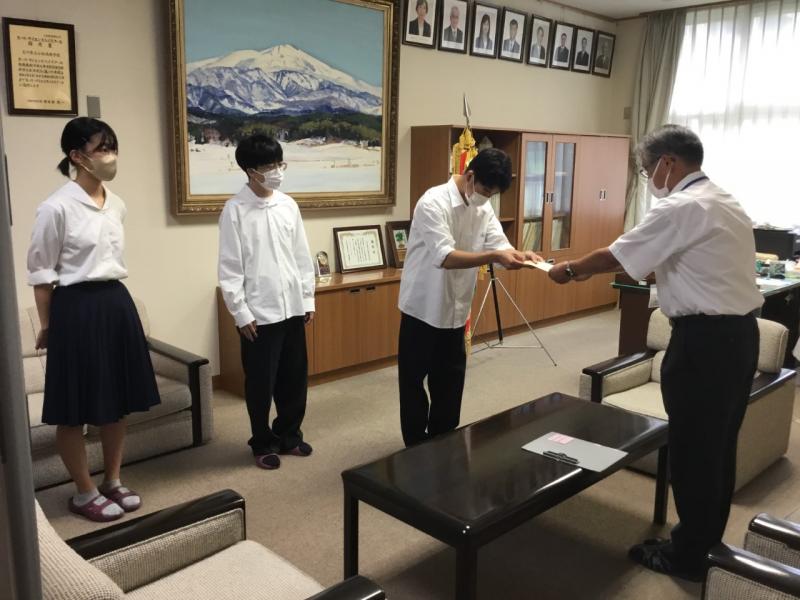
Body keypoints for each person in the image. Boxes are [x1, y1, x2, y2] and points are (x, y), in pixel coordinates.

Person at [548, 125, 763, 582]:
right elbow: (686, 262)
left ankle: (687, 559)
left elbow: (616, 256)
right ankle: (703, 543)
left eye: (647, 170)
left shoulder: (680, 206)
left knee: (691, 450)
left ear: (668, 162)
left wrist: (568, 269)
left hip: (704, 343)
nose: (648, 179)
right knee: (718, 447)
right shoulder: (724, 200)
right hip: (739, 338)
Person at [27, 117, 160, 522]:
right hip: (75, 307)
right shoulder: (55, 207)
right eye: (102, 148)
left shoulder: (116, 204)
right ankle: (84, 492)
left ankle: (112, 480)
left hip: (115, 302)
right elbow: (41, 275)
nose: (110, 155)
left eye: (112, 147)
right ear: (76, 156)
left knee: (115, 403)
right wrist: (48, 327)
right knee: (73, 408)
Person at [397, 148, 542, 447]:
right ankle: (414, 446)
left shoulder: (483, 207)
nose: (487, 198)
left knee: (450, 381)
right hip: (423, 307)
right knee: (413, 381)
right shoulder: (433, 202)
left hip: (457, 308)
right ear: (470, 176)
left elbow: (499, 245)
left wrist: (521, 256)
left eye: (493, 194)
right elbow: (445, 256)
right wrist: (493, 256)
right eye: (486, 191)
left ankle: (443, 442)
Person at [218, 134, 316, 470]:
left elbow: (301, 256)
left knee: (294, 379)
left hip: (293, 308)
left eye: (279, 163)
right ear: (250, 171)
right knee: (261, 383)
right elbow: (230, 268)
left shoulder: (288, 205)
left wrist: (307, 298)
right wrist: (240, 312)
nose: (276, 171)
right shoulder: (235, 210)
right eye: (269, 166)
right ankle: (261, 441)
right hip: (259, 314)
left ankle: (289, 435)